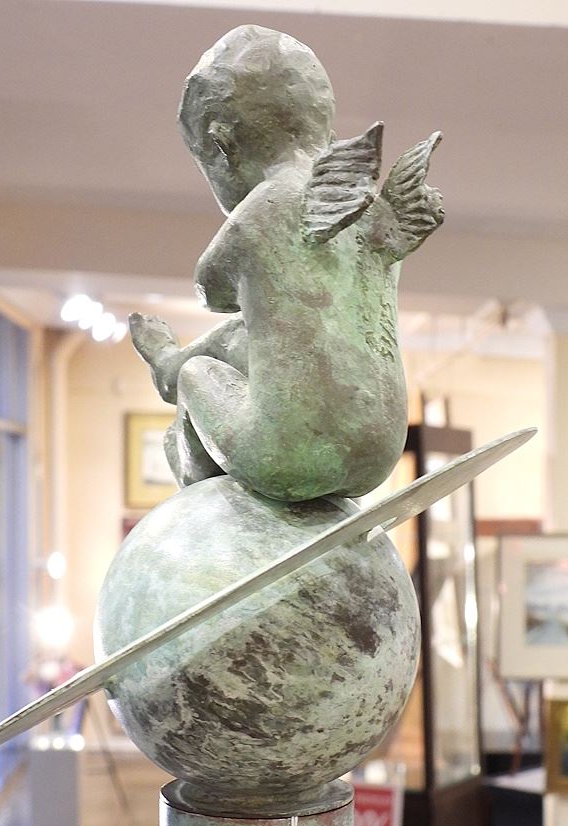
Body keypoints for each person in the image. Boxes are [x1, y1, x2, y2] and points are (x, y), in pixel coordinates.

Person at [131, 24, 444, 502]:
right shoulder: (369, 207)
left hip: (280, 457)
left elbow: (211, 291)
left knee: (198, 374)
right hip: (379, 454)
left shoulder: (266, 205)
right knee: (247, 333)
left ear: (221, 145)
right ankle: (171, 368)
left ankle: (182, 423)